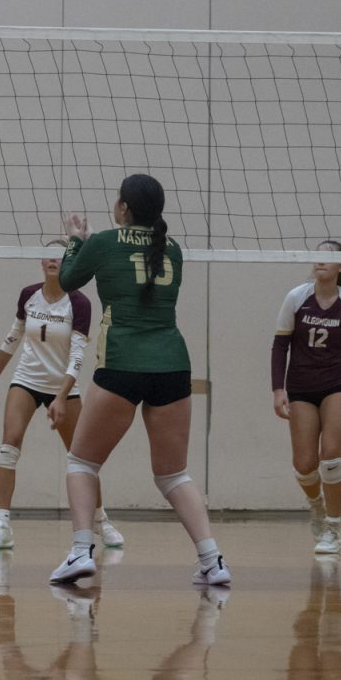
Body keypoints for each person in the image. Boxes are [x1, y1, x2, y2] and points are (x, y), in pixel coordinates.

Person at [48, 174, 229, 586]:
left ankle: (80, 552)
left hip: (122, 363)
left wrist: (77, 240)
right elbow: (133, 263)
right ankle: (213, 561)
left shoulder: (102, 243)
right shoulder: (174, 250)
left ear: (123, 208)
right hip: (172, 366)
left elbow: (70, 279)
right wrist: (99, 243)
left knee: (81, 463)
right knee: (172, 474)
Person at [0, 246, 124, 550]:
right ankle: (2, 525)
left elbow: (77, 355)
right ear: (40, 260)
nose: (53, 260)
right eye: (48, 255)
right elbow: (13, 337)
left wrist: (61, 396)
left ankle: (101, 519)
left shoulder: (79, 303)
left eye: (60, 256)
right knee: (10, 443)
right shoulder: (28, 295)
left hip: (64, 387)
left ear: (68, 263)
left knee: (82, 456)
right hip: (26, 380)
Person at [271, 241, 341, 554]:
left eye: (330, 256)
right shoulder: (297, 298)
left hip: (340, 382)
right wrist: (278, 389)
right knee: (304, 464)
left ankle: (333, 529)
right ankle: (316, 506)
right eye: (318, 253)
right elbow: (280, 345)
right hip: (301, 387)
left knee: (331, 458)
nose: (321, 259)